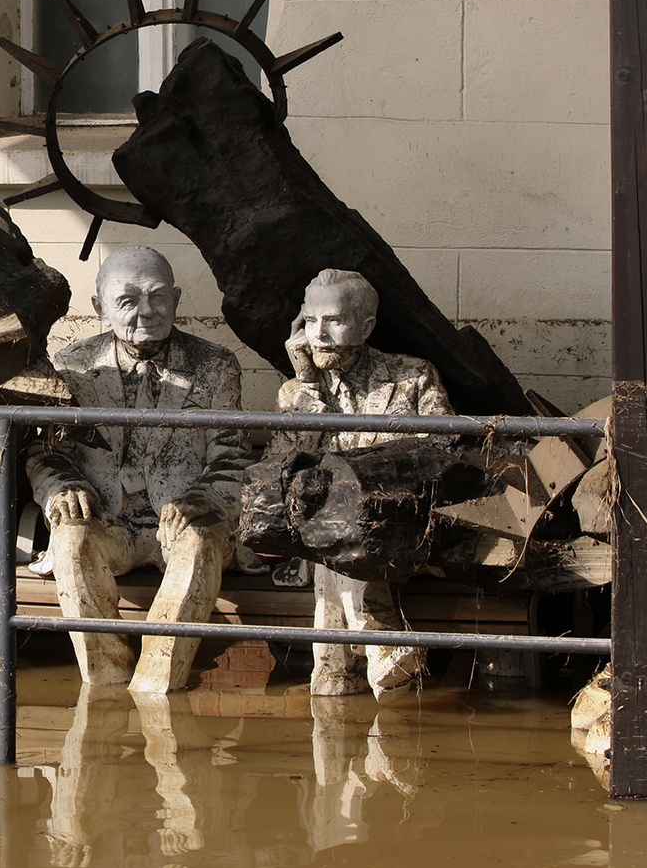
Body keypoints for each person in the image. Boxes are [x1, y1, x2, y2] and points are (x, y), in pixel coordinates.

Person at [25, 245, 250, 693]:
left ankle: (155, 687)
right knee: (70, 539)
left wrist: (203, 498)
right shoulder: (72, 366)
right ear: (100, 308)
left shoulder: (216, 366)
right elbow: (45, 452)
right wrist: (62, 486)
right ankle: (105, 682)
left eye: (158, 296)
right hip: (107, 519)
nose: (146, 312)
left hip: (182, 523)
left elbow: (233, 455)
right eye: (127, 300)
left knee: (199, 539)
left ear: (177, 299)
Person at [271, 267, 453, 697]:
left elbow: (441, 457)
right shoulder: (296, 392)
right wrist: (308, 388)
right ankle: (382, 653)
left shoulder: (412, 377)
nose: (319, 335)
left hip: (398, 526)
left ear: (366, 326)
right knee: (335, 536)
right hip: (325, 539)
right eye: (309, 321)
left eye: (333, 320)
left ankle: (342, 672)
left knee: (339, 538)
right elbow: (281, 470)